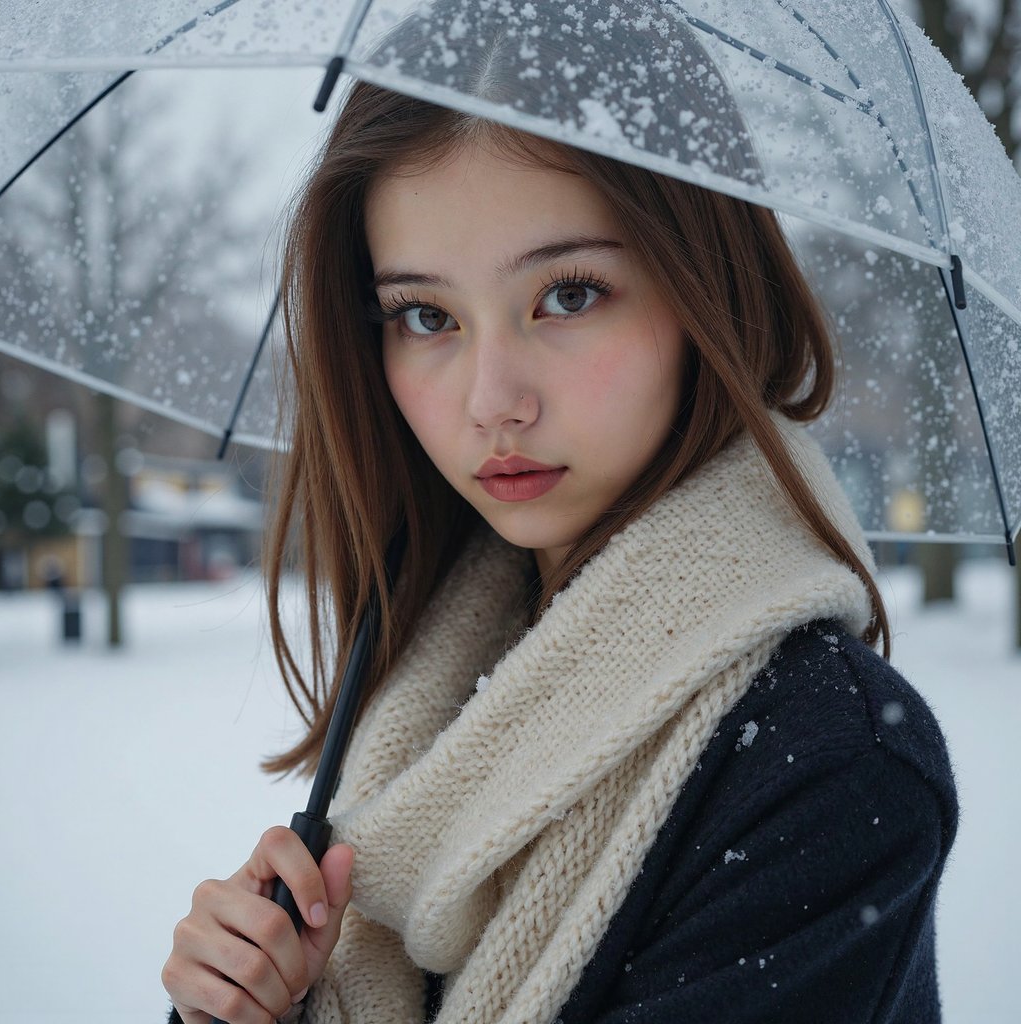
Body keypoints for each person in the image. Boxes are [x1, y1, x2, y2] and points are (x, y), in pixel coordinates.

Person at [162, 3, 958, 1022]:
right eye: (425, 315)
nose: (493, 399)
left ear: (700, 283)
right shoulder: (427, 704)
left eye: (569, 295)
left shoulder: (832, 766)